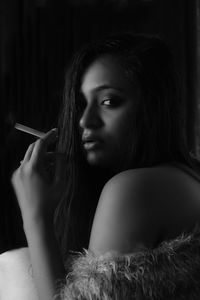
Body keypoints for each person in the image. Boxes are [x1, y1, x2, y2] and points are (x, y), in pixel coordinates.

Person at [4, 32, 200, 299]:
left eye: (109, 102)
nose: (85, 120)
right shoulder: (186, 176)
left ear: (152, 108)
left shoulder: (134, 189)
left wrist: (35, 215)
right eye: (82, 104)